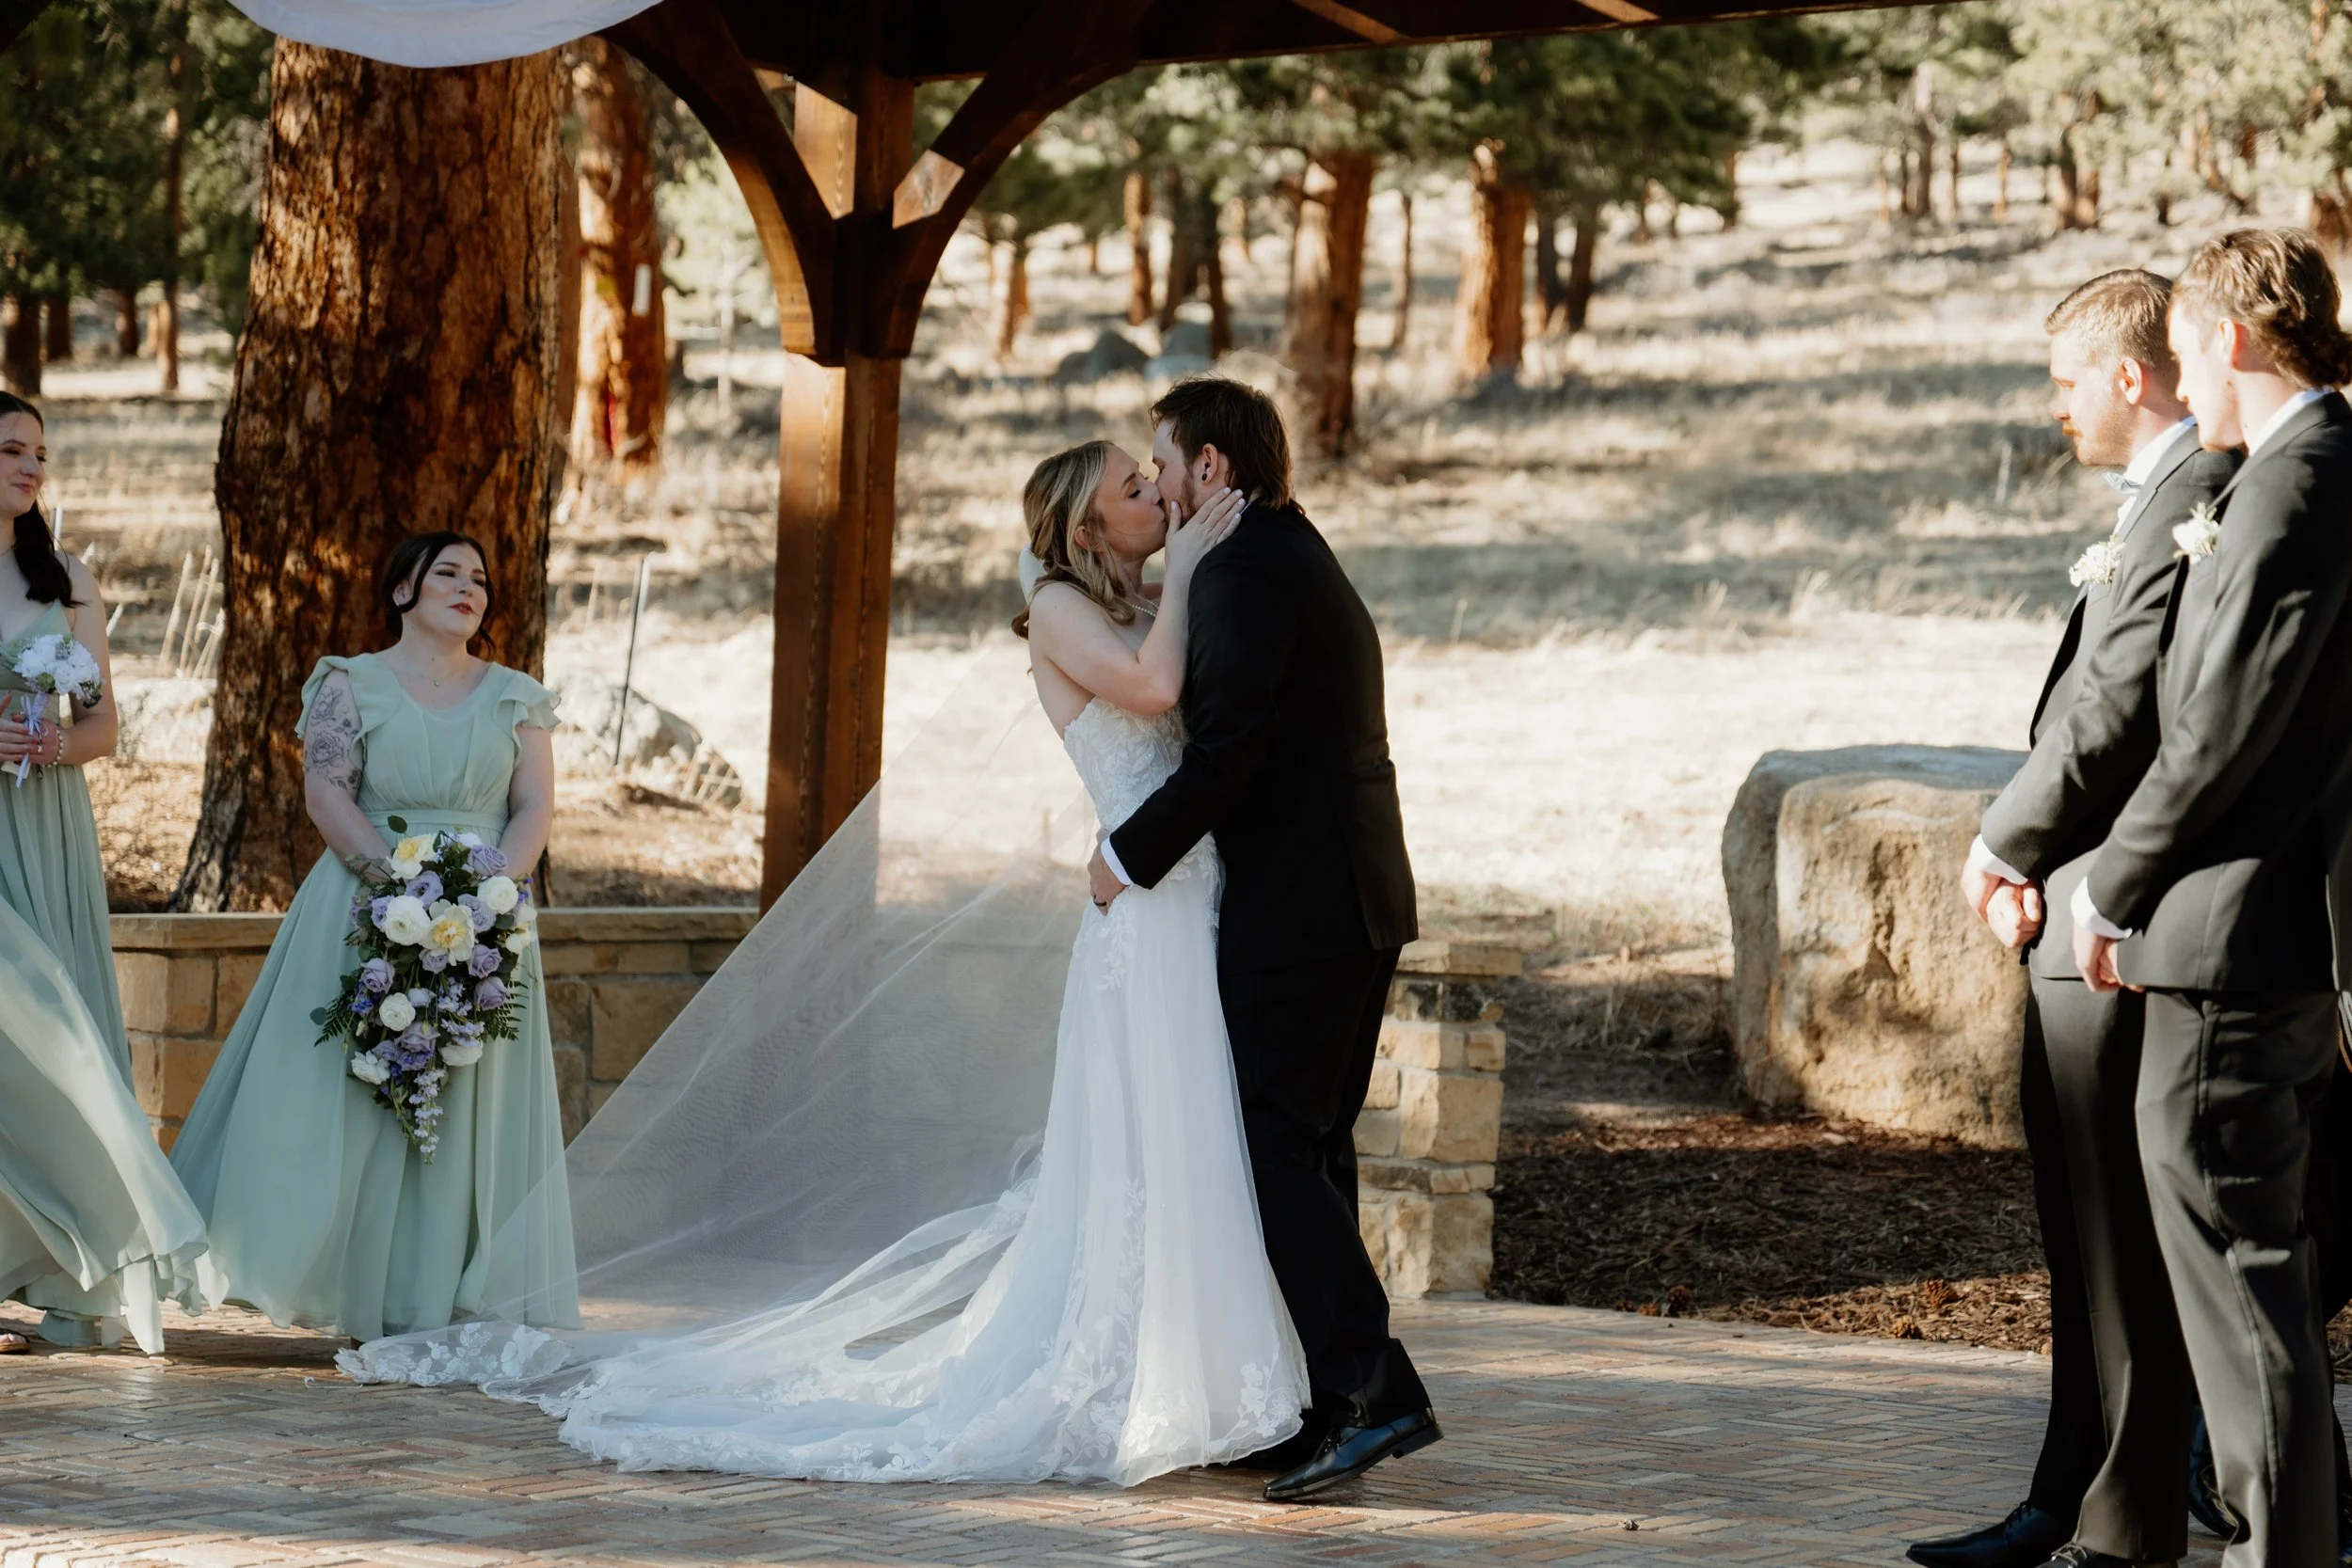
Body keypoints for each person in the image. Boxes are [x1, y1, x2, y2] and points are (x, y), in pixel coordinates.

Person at [344, 444, 1312, 1490]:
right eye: (1132, 488)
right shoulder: (1062, 610)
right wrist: (1204, 563)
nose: (1153, 497)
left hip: (1187, 893)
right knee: (1154, 1133)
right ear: (1084, 529)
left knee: (1192, 1133)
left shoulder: (1142, 596)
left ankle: (1205, 1373)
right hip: (1142, 910)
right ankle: (1144, 1377)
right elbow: (1159, 681)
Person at [1918, 272, 2239, 1568]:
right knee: (2085, 1235)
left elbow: (2122, 705)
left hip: (2121, 918)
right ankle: (2072, 1488)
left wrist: (2010, 840)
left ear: (2129, 375)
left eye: (2062, 382)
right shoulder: (2158, 501)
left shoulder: (2194, 500)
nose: (2054, 409)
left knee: (2119, 1242)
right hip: (2080, 911)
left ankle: (2117, 1513)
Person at [1089, 377, 1437, 1501]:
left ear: (1212, 470)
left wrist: (1124, 855)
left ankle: (1375, 1393)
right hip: (1355, 893)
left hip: (1300, 906)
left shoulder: (1240, 568)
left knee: (1278, 1149)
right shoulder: (1291, 548)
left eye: (1165, 463)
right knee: (1315, 1148)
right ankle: (1327, 1403)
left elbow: (1226, 756)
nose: (1159, 484)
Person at [2068, 228, 2352, 1568]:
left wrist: (2113, 886)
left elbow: (2221, 726)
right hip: (2266, 933)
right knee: (2256, 1284)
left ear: (2230, 340)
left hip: (2231, 942)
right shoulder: (2307, 472)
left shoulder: (2295, 486)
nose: (2180, 382)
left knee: (2244, 1299)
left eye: (2182, 351)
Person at [170, 532, 577, 1341]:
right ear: (402, 592)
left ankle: (442, 1288)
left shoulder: (518, 697)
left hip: (482, 917)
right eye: (448, 574)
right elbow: (327, 793)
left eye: (480, 579)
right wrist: (399, 889)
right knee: (342, 1092)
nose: (470, 588)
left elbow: (535, 805)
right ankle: (322, 1273)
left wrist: (489, 893)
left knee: (463, 1097)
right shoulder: (347, 683)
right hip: (365, 907)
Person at [0, 389, 208, 1355]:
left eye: (39, 451)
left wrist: (51, 744)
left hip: (43, 829)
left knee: (62, 1041)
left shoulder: (66, 576)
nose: (31, 466)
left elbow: (104, 726)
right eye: (11, 449)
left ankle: (79, 1271)